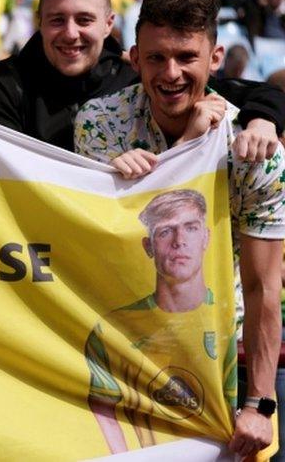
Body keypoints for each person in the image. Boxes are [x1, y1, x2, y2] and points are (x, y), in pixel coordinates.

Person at [74, 0, 284, 458]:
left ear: (215, 58)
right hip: (126, 359)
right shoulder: (100, 122)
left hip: (222, 367)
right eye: (156, 58)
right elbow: (122, 245)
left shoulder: (257, 153)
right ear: (133, 58)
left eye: (187, 57)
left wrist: (260, 404)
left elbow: (263, 287)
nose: (171, 74)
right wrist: (188, 145)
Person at [0, 0, 285, 158]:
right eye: (57, 20)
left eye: (84, 20)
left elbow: (250, 91)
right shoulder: (7, 83)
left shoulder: (137, 72)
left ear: (108, 24)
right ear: (39, 22)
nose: (71, 33)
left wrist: (262, 120)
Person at [85, 190, 237, 453]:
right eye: (166, 231)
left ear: (206, 238)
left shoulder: (227, 319)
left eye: (190, 228)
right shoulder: (112, 328)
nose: (179, 241)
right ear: (148, 246)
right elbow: (103, 407)